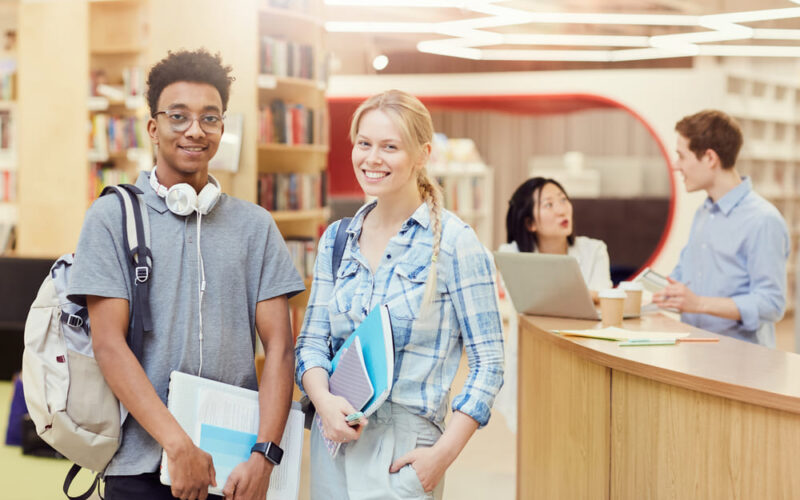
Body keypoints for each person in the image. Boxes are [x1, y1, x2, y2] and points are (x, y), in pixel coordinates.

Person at [67, 49, 305, 500]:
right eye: (178, 117)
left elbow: (280, 347)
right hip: (141, 465)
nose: (195, 130)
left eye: (209, 118)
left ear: (222, 127)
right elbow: (108, 344)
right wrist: (178, 446)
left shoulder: (256, 226)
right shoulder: (110, 217)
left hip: (236, 468)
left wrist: (265, 455)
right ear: (153, 127)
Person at [295, 89, 504, 499]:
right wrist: (321, 400)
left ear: (422, 154)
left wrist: (442, 454)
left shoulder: (457, 243)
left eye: (390, 147)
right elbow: (312, 342)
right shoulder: (337, 240)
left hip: (406, 450)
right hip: (334, 439)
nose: (372, 159)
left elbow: (490, 363)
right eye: (364, 144)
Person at [653, 109, 789, 347]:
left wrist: (699, 304)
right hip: (694, 351)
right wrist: (643, 293)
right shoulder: (704, 213)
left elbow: (771, 304)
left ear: (709, 158)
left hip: (740, 362)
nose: (676, 166)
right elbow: (683, 274)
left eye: (682, 156)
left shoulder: (763, 220)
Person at [493, 176, 612, 433]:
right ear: (529, 222)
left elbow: (604, 298)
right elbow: (524, 302)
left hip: (581, 355)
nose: (562, 208)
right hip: (533, 357)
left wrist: (581, 296)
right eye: (548, 204)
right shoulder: (512, 254)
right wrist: (586, 296)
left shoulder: (594, 250)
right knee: (533, 437)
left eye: (563, 199)